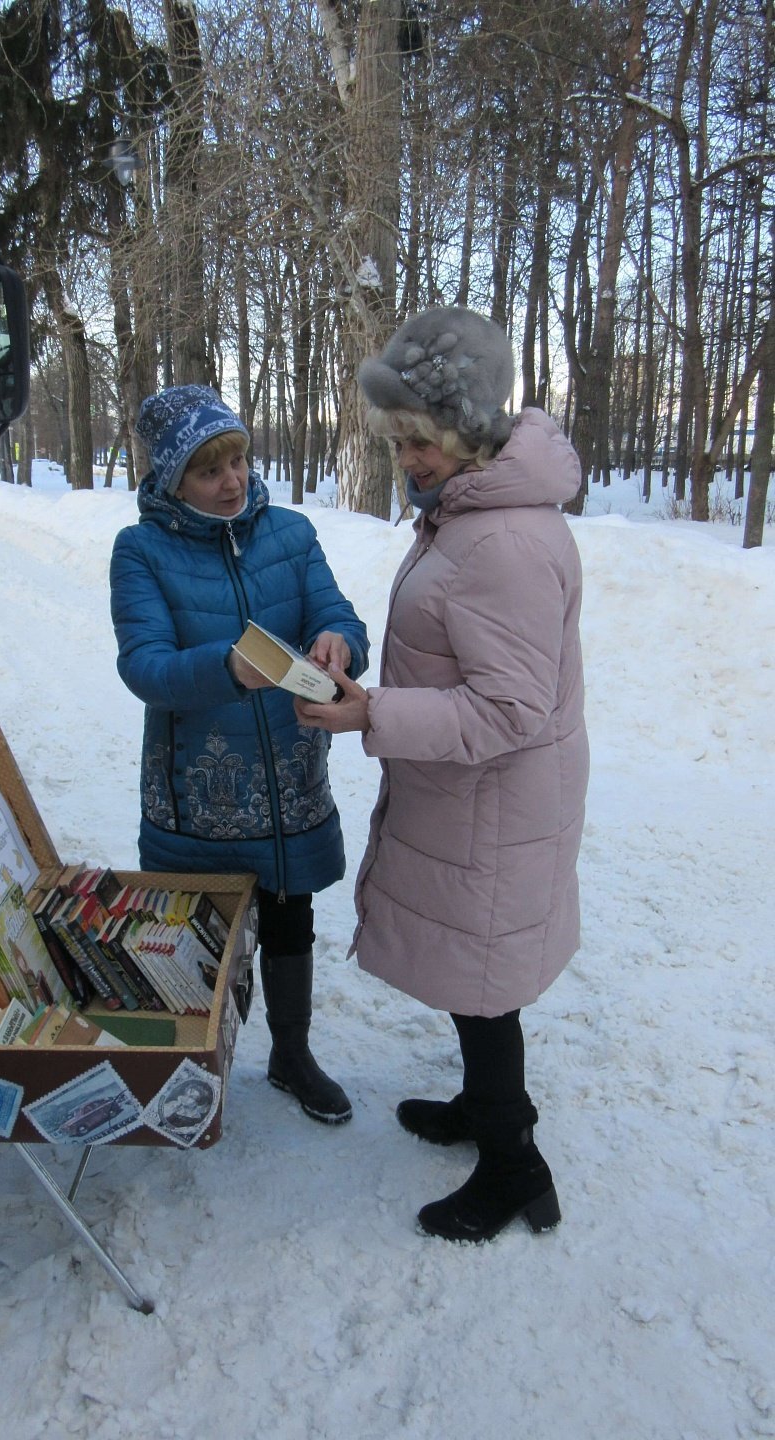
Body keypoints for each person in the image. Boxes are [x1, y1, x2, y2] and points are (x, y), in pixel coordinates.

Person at [295, 307, 588, 1239]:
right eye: (397, 439)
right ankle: (482, 1110)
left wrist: (372, 712)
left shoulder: (500, 540)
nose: (406, 458)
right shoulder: (473, 512)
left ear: (469, 431)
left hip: (492, 805)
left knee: (486, 980)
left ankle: (515, 1167)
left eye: (418, 439)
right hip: (477, 796)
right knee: (478, 974)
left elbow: (510, 709)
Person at [110, 384, 370, 1123]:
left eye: (239, 460)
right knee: (196, 935)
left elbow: (339, 613)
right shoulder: (141, 551)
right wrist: (224, 668)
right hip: (199, 787)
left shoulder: (289, 533)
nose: (232, 481)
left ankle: (292, 1054)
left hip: (290, 776)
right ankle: (184, 1066)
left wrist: (340, 641)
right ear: (172, 479)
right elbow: (145, 666)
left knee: (290, 917)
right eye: (208, 469)